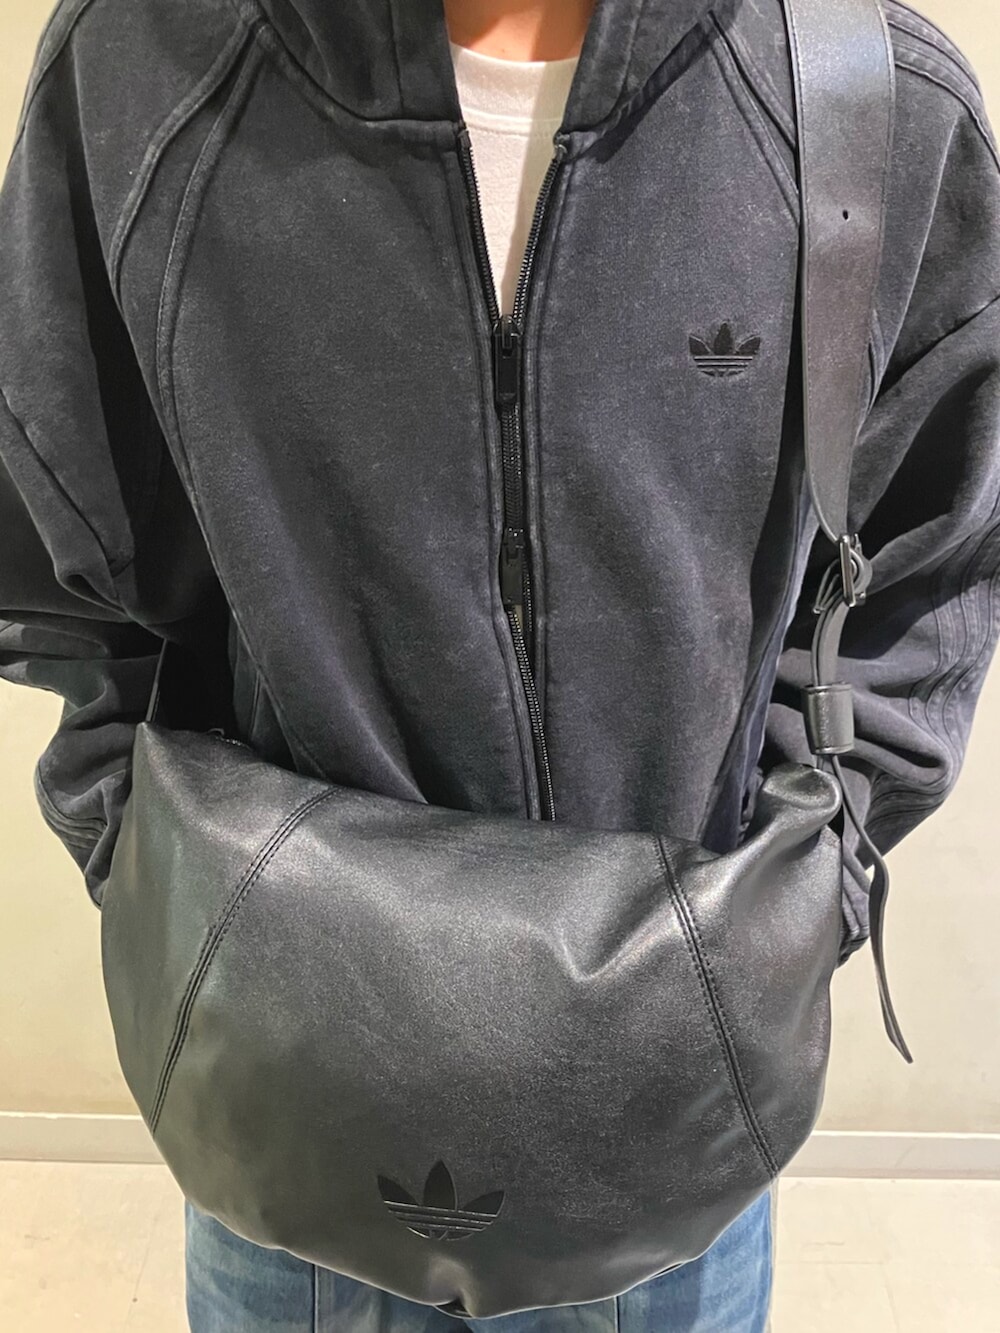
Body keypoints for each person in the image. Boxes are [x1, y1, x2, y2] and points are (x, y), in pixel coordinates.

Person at [1, 0, 998, 1328]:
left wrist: (804, 894)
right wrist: (153, 870)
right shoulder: (141, 62)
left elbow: (928, 554)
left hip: (670, 1115)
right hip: (291, 1102)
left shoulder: (870, 95)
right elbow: (63, 547)